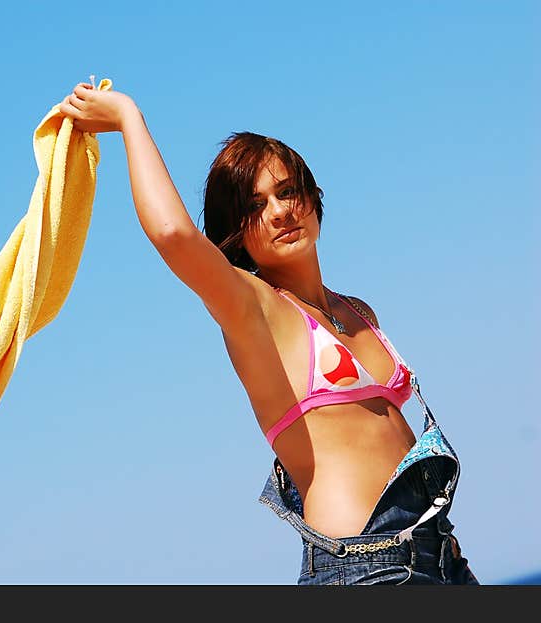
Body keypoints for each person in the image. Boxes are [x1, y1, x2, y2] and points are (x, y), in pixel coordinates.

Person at [57, 81, 479, 585]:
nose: (280, 212)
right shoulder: (253, 309)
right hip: (365, 568)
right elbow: (173, 234)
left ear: (312, 197)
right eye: (255, 207)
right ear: (236, 234)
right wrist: (128, 119)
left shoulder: (358, 310)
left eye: (287, 192)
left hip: (441, 557)